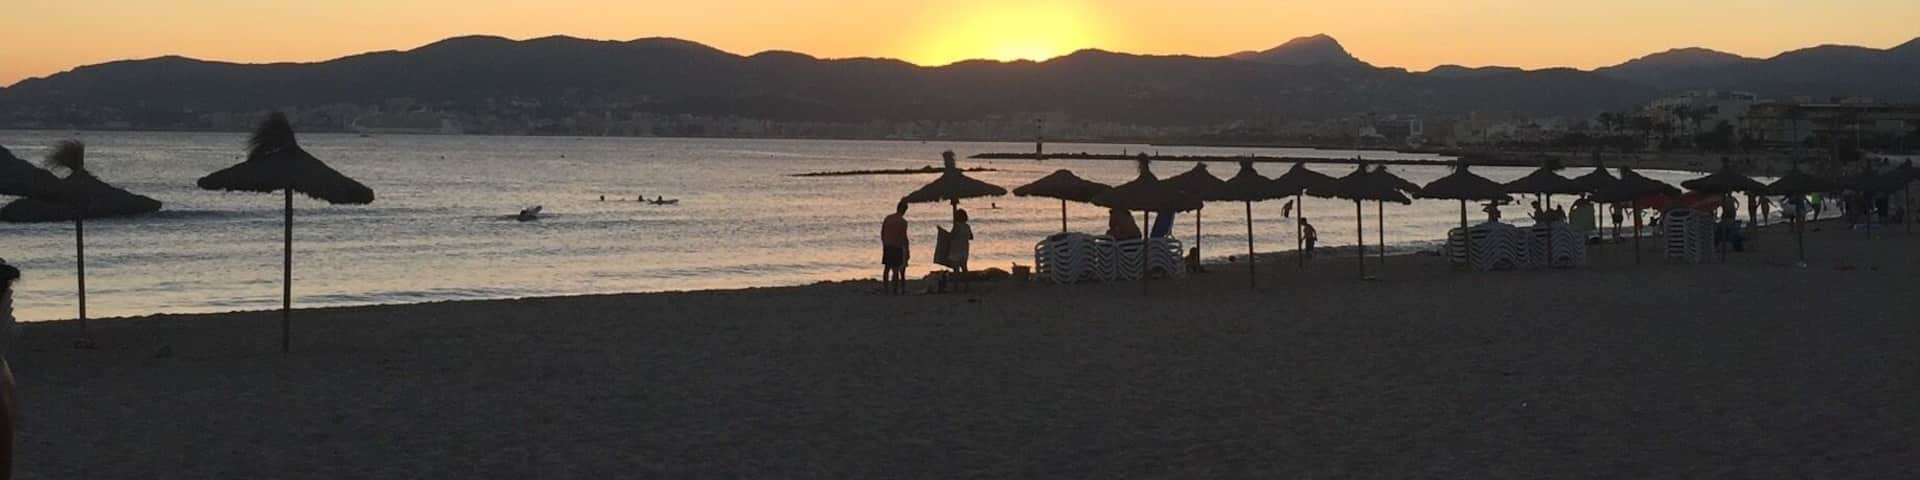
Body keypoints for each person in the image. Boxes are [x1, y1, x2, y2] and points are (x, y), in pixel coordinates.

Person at [880, 202, 910, 294]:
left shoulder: (888, 218)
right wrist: (907, 249)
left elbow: (882, 232)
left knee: (887, 268)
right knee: (896, 269)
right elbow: (903, 236)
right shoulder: (903, 222)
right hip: (897, 246)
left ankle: (886, 289)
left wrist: (884, 243)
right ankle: (894, 290)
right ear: (904, 211)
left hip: (888, 245)